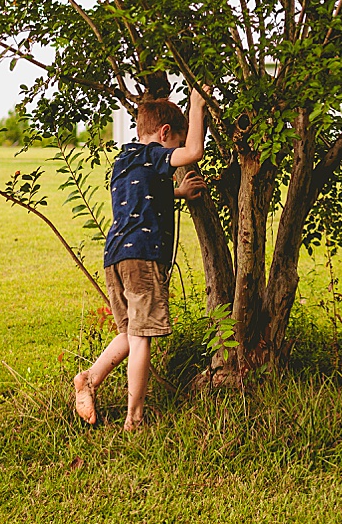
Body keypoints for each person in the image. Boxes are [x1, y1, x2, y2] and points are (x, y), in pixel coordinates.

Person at [73, 87, 206, 429]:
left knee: (129, 332)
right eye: (173, 143)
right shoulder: (155, 154)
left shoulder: (126, 159)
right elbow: (194, 151)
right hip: (142, 257)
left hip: (115, 255)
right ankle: (135, 417)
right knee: (141, 337)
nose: (174, 153)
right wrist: (197, 104)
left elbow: (142, 196)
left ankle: (89, 378)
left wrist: (179, 192)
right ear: (164, 135)